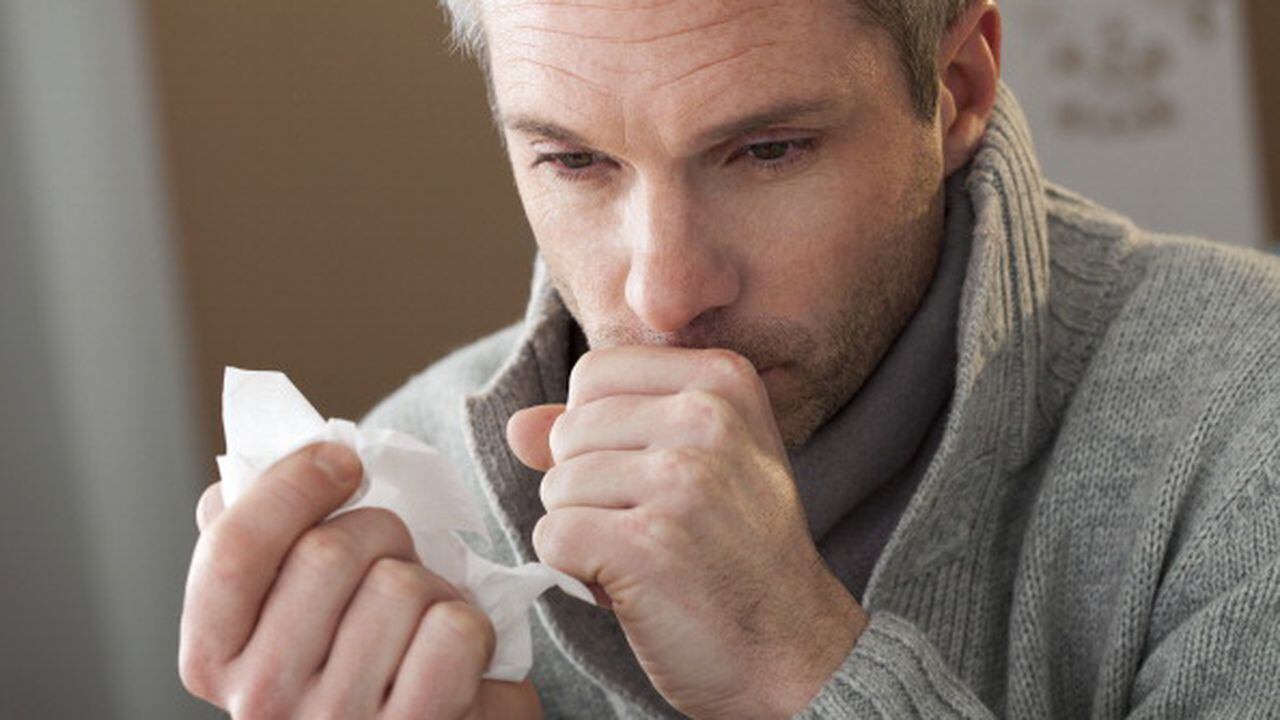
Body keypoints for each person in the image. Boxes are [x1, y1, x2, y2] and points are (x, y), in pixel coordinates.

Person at [178, 0, 1280, 717]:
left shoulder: (1246, 422)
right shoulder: (402, 500)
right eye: (572, 161)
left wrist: (795, 667)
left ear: (956, 91)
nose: (663, 295)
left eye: (767, 151)